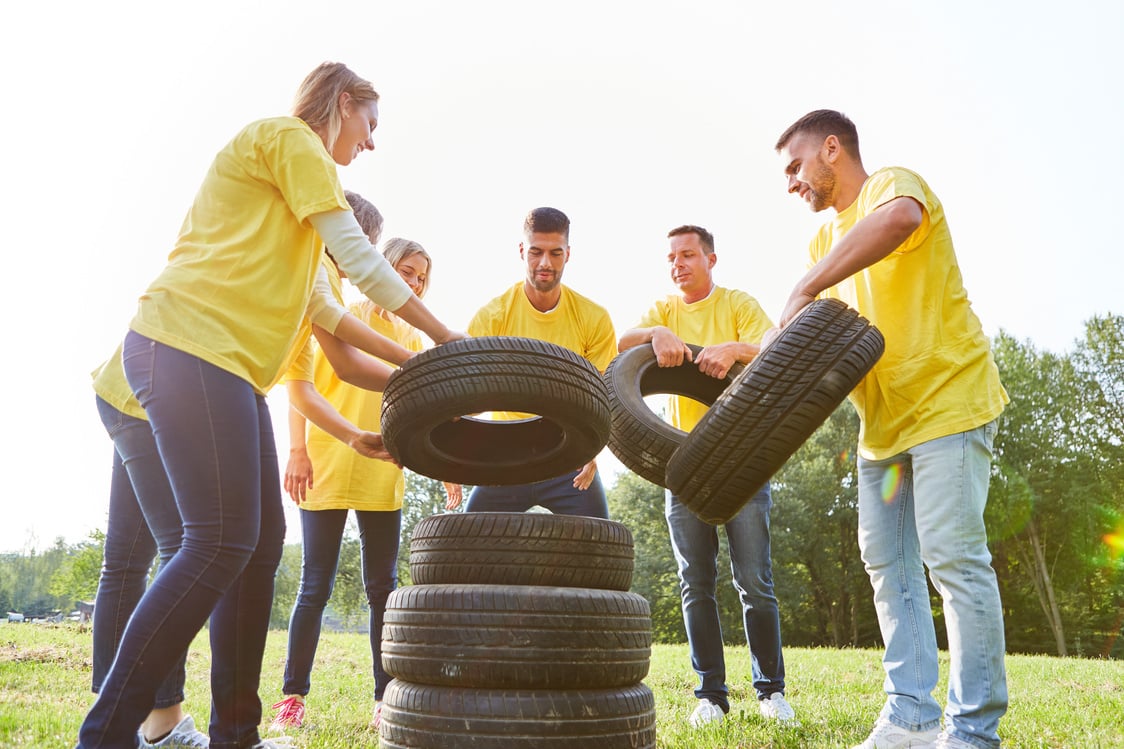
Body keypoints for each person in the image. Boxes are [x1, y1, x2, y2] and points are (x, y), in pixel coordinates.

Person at [78, 61, 461, 749]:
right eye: (370, 124)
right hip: (184, 347)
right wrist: (446, 340)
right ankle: (107, 735)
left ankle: (236, 734)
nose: (370, 143)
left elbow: (341, 336)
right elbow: (360, 257)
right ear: (343, 104)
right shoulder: (289, 139)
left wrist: (424, 367)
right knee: (214, 541)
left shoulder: (296, 236)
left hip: (223, 370)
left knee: (253, 552)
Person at [774, 110, 1008, 749]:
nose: (791, 182)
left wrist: (806, 285)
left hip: (946, 402)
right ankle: (910, 713)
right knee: (889, 565)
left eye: (795, 166)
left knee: (952, 558)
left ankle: (974, 730)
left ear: (831, 149)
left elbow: (902, 220)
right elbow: (812, 339)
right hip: (882, 426)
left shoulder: (892, 187)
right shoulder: (823, 245)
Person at [270, 231, 462, 733]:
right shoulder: (339, 310)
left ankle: (384, 697)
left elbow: (423, 411)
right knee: (315, 585)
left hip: (382, 468)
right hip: (326, 462)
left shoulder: (414, 340)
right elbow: (301, 386)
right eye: (406, 272)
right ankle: (293, 697)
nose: (414, 283)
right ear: (383, 267)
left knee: (383, 588)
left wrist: (444, 467)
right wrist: (296, 451)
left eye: (421, 278)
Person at [617, 224, 796, 729]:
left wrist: (735, 350)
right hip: (684, 467)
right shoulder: (665, 311)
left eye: (688, 255)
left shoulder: (738, 303)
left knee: (754, 582)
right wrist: (656, 334)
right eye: (671, 257)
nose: (678, 264)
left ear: (711, 259)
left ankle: (770, 692)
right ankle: (711, 696)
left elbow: (778, 346)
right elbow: (620, 343)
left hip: (742, 461)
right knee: (695, 583)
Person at [464, 207, 616, 518]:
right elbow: (468, 396)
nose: (545, 263)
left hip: (568, 455)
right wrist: (448, 457)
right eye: (536, 252)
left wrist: (593, 451)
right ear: (522, 251)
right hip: (505, 455)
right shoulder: (492, 317)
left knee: (600, 547)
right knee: (465, 541)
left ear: (568, 254)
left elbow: (603, 397)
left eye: (555, 253)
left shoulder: (593, 318)